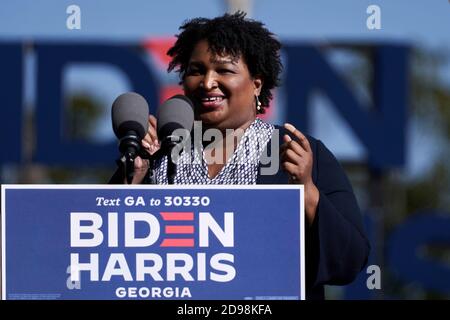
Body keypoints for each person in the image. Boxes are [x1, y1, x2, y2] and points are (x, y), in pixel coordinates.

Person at [110, 11, 370, 300]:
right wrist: (131, 181)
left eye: (224, 70)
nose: (208, 82)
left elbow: (350, 261)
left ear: (256, 84)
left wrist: (307, 193)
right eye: (196, 70)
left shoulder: (297, 152)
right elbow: (103, 254)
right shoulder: (159, 155)